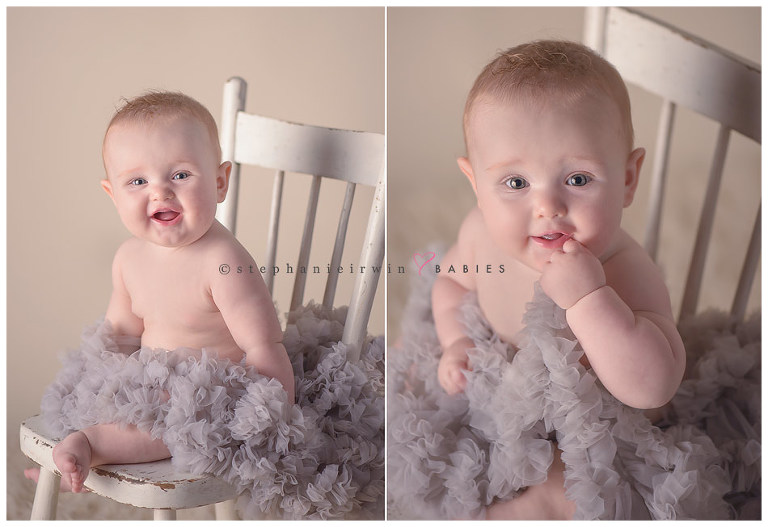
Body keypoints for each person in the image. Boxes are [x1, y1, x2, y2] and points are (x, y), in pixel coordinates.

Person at [432, 40, 686, 519]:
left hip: (593, 436)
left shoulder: (625, 268)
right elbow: (448, 285)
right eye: (515, 183)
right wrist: (456, 340)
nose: (547, 207)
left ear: (628, 179)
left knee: (566, 494)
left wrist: (591, 299)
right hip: (506, 402)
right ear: (476, 186)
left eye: (577, 179)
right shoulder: (478, 235)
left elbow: (655, 387)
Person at [26, 91, 295, 494]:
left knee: (165, 423)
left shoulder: (224, 261)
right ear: (112, 194)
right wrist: (105, 382)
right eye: (137, 181)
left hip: (214, 397)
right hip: (148, 378)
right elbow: (119, 333)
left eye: (180, 175)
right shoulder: (128, 257)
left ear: (220, 182)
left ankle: (92, 446)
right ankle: (79, 456)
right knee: (93, 394)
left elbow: (263, 345)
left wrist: (270, 415)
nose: (160, 192)